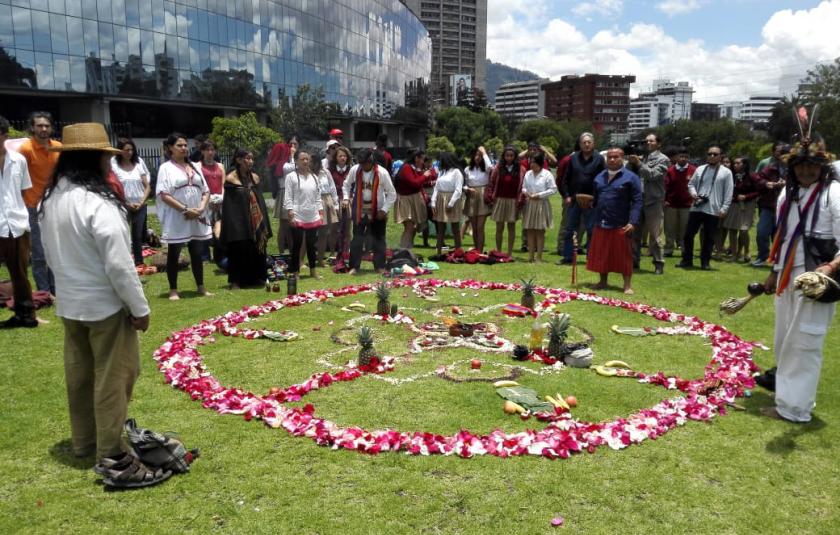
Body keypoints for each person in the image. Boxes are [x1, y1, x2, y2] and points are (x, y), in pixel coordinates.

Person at [39, 123, 169, 489]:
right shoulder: (98, 203)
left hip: (70, 303)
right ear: (96, 159)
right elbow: (119, 264)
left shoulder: (52, 200)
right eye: (107, 158)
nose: (111, 165)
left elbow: (50, 256)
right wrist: (139, 307)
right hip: (105, 306)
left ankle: (85, 441)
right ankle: (111, 451)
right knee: (113, 379)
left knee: (80, 376)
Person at [759, 138, 839, 423]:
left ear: (822, 167)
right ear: (792, 169)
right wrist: (774, 272)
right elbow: (782, 237)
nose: (806, 171)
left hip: (816, 281)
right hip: (787, 277)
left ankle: (795, 410)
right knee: (784, 339)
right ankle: (786, 396)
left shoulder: (834, 194)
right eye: (801, 166)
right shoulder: (787, 195)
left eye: (812, 166)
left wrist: (828, 269)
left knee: (805, 341)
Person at [156, 132, 213, 300]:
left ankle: (201, 287)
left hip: (196, 214)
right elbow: (164, 194)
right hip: (178, 215)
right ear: (170, 149)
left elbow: (206, 190)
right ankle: (173, 290)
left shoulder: (195, 167)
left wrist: (201, 208)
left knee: (197, 251)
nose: (184, 148)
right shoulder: (165, 168)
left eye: (185, 145)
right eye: (179, 145)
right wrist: (185, 209)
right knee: (174, 251)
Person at [586, 147, 643, 294]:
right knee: (602, 253)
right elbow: (596, 198)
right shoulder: (599, 177)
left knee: (624, 255)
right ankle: (603, 281)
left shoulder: (631, 177)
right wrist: (589, 203)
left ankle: (627, 285)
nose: (612, 159)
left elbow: (637, 201)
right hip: (601, 221)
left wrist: (633, 222)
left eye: (615, 157)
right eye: (609, 157)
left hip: (621, 223)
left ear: (622, 159)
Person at [0, 115, 38, 328]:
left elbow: (24, 190)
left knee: (20, 273)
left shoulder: (18, 160)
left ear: (4, 135)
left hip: (16, 223)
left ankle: (26, 314)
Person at [17, 111, 61, 295]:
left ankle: (56, 289)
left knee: (55, 249)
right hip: (32, 205)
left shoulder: (59, 147)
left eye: (46, 125)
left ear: (51, 127)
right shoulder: (25, 150)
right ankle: (43, 291)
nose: (43, 129)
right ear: (32, 128)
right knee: (39, 252)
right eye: (39, 125)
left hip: (55, 205)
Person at [220, 148, 272, 288]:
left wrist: (263, 223)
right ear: (238, 160)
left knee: (258, 248)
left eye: (252, 159)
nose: (250, 161)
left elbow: (260, 201)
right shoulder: (231, 179)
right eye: (247, 158)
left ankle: (258, 277)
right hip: (238, 221)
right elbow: (230, 206)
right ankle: (236, 281)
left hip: (255, 221)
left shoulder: (255, 178)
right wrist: (235, 225)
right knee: (239, 248)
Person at [677, 145, 733, 270]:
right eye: (709, 154)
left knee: (709, 237)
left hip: (713, 208)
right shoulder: (700, 169)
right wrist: (694, 194)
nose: (712, 156)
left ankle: (705, 262)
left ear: (720, 156)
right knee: (688, 234)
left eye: (715, 154)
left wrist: (724, 208)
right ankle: (687, 260)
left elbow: (729, 192)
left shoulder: (726, 172)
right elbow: (691, 184)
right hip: (697, 207)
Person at [341, 148, 395, 274]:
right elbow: (346, 184)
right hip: (359, 208)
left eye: (366, 163)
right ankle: (354, 266)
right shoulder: (355, 170)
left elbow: (392, 193)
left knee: (379, 238)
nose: (364, 166)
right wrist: (345, 198)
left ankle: (379, 266)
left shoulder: (382, 173)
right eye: (361, 163)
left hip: (377, 209)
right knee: (357, 238)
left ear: (372, 161)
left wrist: (384, 209)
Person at [628, 133, 670, 275]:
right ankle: (634, 261)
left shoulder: (663, 159)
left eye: (651, 140)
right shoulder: (641, 157)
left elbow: (653, 175)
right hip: (638, 201)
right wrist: (633, 160)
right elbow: (629, 174)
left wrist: (639, 163)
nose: (647, 143)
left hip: (653, 201)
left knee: (655, 235)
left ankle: (658, 264)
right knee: (634, 233)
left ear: (658, 144)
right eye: (646, 141)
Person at [560, 132, 605, 264]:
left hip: (592, 201)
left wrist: (596, 198)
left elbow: (603, 180)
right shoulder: (573, 159)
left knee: (592, 229)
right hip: (574, 200)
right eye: (583, 142)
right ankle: (568, 257)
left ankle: (591, 257)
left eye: (589, 142)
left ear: (593, 143)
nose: (586, 144)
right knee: (570, 229)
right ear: (579, 144)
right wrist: (566, 196)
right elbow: (565, 179)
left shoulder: (599, 159)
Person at [110, 138, 151, 267]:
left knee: (137, 236)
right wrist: (126, 203)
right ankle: (124, 262)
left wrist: (141, 202)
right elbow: (113, 187)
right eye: (126, 150)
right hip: (123, 205)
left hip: (140, 205)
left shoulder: (138, 164)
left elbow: (147, 186)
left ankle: (139, 262)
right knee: (122, 234)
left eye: (131, 149)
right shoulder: (114, 166)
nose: (129, 152)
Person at [284, 151, 324, 279]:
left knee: (311, 244)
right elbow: (288, 195)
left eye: (307, 159)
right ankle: (295, 271)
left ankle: (313, 271)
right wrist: (290, 212)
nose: (306, 162)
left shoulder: (314, 177)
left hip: (312, 214)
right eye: (302, 159)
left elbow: (318, 196)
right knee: (297, 244)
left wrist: (321, 212)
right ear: (296, 161)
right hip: (297, 214)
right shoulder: (291, 177)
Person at [752, 143, 789, 267]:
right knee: (761, 232)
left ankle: (780, 259)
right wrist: (767, 183)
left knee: (783, 235)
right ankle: (762, 256)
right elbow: (757, 179)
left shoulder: (796, 168)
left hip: (787, 208)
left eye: (784, 153)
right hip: (769, 206)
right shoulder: (771, 167)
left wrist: (787, 184)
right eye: (779, 152)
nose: (781, 155)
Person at [393, 148, 434, 249]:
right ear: (416, 158)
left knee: (412, 227)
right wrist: (424, 175)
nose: (423, 162)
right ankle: (403, 250)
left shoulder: (411, 168)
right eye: (422, 160)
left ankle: (407, 249)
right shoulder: (406, 168)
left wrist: (425, 174)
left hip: (410, 200)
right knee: (409, 227)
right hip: (406, 201)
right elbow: (415, 183)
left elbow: (420, 180)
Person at [486, 146, 524, 256]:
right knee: (499, 227)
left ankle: (510, 252)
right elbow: (491, 183)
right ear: (504, 156)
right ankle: (498, 251)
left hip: (513, 201)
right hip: (499, 200)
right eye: (507, 155)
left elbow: (522, 186)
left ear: (515, 156)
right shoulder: (498, 168)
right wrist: (490, 197)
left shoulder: (520, 169)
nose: (509, 158)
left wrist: (520, 200)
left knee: (511, 227)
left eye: (511, 155)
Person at [720, 156, 759, 262]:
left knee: (743, 230)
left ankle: (746, 251)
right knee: (732, 229)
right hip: (734, 204)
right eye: (734, 163)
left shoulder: (752, 176)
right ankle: (734, 254)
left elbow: (758, 191)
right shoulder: (732, 175)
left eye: (738, 163)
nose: (735, 165)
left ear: (745, 164)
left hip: (748, 205)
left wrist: (747, 196)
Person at [521, 153, 557, 263]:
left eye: (534, 163)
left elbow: (553, 189)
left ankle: (539, 257)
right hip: (530, 203)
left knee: (540, 231)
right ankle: (530, 256)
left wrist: (539, 195)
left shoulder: (547, 174)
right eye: (531, 162)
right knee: (530, 230)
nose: (532, 165)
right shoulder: (528, 174)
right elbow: (523, 187)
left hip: (541, 204)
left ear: (540, 163)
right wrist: (527, 193)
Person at [266, 135, 298, 254]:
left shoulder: (282, 164)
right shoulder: (282, 165)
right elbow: (293, 168)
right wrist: (292, 155)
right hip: (285, 193)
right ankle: (281, 252)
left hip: (287, 193)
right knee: (284, 226)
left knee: (288, 227)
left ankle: (290, 251)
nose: (291, 148)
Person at [663, 147, 695, 257]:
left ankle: (684, 249)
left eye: (685, 157)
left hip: (687, 205)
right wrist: (665, 200)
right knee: (669, 228)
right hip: (671, 204)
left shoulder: (693, 170)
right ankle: (668, 249)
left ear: (688, 158)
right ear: (677, 158)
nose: (683, 159)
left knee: (685, 229)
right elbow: (665, 187)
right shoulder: (670, 170)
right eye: (681, 156)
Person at [430, 152, 465, 256]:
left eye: (442, 160)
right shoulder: (442, 172)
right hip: (440, 199)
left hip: (451, 200)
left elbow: (458, 189)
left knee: (455, 227)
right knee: (440, 227)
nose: (440, 162)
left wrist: (451, 204)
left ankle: (459, 252)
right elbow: (436, 187)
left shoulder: (456, 172)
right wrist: (433, 202)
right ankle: (439, 252)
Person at [198, 140, 225, 264]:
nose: (210, 152)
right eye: (207, 150)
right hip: (205, 200)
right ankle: (205, 256)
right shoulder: (197, 166)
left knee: (219, 227)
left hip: (219, 200)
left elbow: (224, 184)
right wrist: (208, 201)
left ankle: (219, 253)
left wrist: (221, 198)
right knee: (205, 227)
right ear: (202, 151)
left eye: (212, 149)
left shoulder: (220, 166)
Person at [462, 146, 493, 251]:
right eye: (476, 155)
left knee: (480, 227)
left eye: (480, 156)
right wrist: (467, 189)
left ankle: (480, 250)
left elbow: (490, 167)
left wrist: (484, 153)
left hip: (483, 196)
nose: (477, 157)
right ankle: (476, 249)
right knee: (474, 227)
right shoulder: (467, 169)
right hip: (472, 196)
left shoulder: (486, 169)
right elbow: (463, 185)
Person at [313, 154, 339, 265]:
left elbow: (333, 188)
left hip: (327, 199)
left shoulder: (326, 172)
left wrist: (336, 204)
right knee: (310, 233)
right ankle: (303, 259)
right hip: (314, 201)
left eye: (314, 162)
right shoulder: (307, 174)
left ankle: (320, 259)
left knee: (323, 232)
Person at [329, 145, 353, 257]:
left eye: (344, 156)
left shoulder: (351, 170)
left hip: (348, 201)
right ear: (336, 158)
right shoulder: (331, 171)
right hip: (335, 201)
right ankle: (333, 252)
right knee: (334, 229)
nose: (342, 158)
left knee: (348, 229)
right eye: (340, 156)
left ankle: (346, 251)